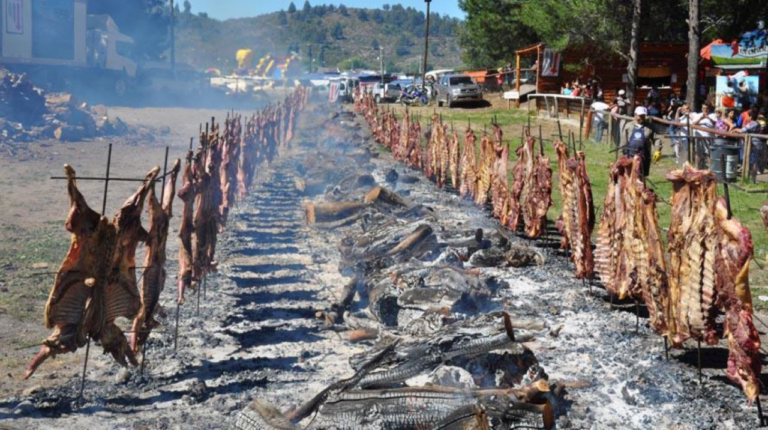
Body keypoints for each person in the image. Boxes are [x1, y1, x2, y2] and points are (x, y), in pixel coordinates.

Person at [622, 106, 660, 176]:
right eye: (640, 116)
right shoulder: (628, 126)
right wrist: (623, 154)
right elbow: (623, 141)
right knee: (629, 175)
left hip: (644, 156)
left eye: (643, 116)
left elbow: (656, 139)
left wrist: (658, 150)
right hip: (629, 155)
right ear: (635, 115)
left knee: (641, 176)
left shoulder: (649, 127)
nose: (642, 118)